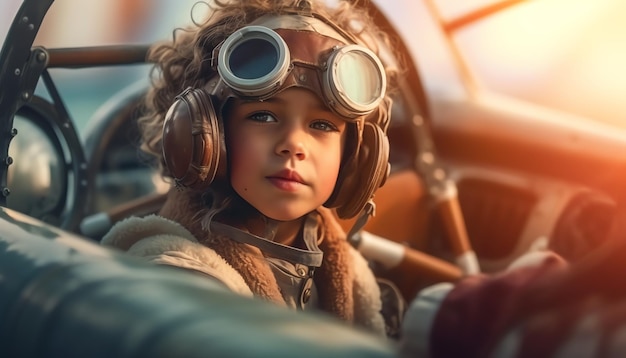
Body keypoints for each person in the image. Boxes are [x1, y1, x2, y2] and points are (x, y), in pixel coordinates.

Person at [102, 0, 400, 337]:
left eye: (322, 125)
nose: (294, 145)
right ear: (201, 133)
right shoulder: (177, 280)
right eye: (263, 116)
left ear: (357, 157)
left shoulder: (347, 275)